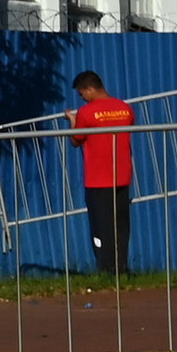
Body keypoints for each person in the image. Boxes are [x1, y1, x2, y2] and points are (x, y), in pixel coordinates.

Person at [71, 70, 135, 279]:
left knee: (101, 227)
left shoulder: (86, 112)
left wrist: (72, 119)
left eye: (82, 94)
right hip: (122, 176)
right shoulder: (125, 108)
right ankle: (121, 267)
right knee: (121, 226)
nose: (82, 98)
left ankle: (106, 271)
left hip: (98, 179)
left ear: (89, 89)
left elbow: (76, 139)